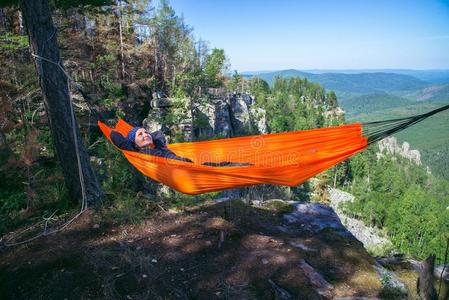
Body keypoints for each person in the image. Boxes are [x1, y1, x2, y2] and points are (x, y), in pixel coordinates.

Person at [111, 127, 252, 167]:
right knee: (222, 167)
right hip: (180, 169)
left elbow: (157, 134)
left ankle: (250, 166)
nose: (145, 134)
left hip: (186, 164)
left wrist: (148, 137)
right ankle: (249, 168)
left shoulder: (159, 144)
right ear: (134, 143)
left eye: (146, 132)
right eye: (140, 135)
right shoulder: (140, 153)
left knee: (221, 164)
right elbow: (117, 137)